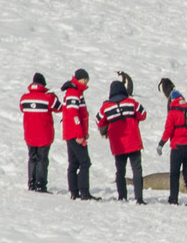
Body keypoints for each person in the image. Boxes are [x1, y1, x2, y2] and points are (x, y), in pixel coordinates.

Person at [95, 80, 147, 204]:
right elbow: (143, 114)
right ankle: (139, 198)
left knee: (120, 171)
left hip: (118, 144)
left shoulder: (106, 107)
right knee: (137, 170)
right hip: (133, 142)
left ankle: (122, 196)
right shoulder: (131, 103)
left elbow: (99, 121)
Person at [19, 73, 62, 193]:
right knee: (42, 160)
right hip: (44, 134)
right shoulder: (48, 98)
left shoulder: (24, 98)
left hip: (29, 135)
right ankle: (40, 185)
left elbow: (22, 108)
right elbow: (59, 108)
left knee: (32, 158)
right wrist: (54, 96)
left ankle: (31, 184)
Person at [158, 90, 187, 206]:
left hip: (177, 148)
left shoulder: (172, 113)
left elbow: (168, 130)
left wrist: (161, 143)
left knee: (174, 175)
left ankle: (173, 200)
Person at [61, 69, 98, 200]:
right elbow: (74, 115)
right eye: (86, 79)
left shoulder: (76, 92)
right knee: (84, 162)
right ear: (81, 79)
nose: (87, 82)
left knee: (74, 163)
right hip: (74, 134)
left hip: (71, 132)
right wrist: (79, 133)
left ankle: (74, 192)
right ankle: (84, 192)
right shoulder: (73, 93)